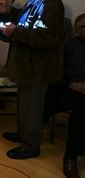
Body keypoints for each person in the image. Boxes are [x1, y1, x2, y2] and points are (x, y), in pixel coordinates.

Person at [1, 0, 65, 159]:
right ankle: (24, 134)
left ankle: (30, 146)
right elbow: (30, 20)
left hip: (36, 69)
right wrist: (10, 11)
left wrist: (15, 32)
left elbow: (47, 37)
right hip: (28, 67)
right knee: (26, 106)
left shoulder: (51, 1)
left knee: (32, 108)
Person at [62, 14, 85, 178]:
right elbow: (59, 71)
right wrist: (72, 84)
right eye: (84, 26)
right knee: (80, 113)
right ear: (77, 29)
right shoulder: (69, 45)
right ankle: (70, 158)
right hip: (72, 88)